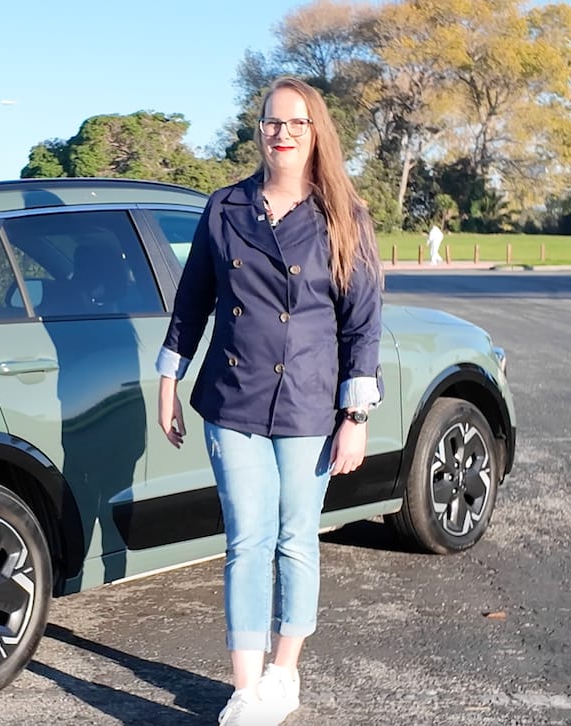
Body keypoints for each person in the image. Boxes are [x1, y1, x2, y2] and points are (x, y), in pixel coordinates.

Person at [155, 76, 383, 725]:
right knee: (246, 541)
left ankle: (285, 673)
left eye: (295, 123)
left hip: (310, 404)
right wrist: (169, 382)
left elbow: (361, 325)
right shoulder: (225, 208)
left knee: (295, 540)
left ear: (316, 135)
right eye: (270, 122)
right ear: (259, 132)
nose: (281, 133)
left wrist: (355, 417)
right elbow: (192, 301)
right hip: (233, 398)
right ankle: (247, 689)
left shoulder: (345, 216)